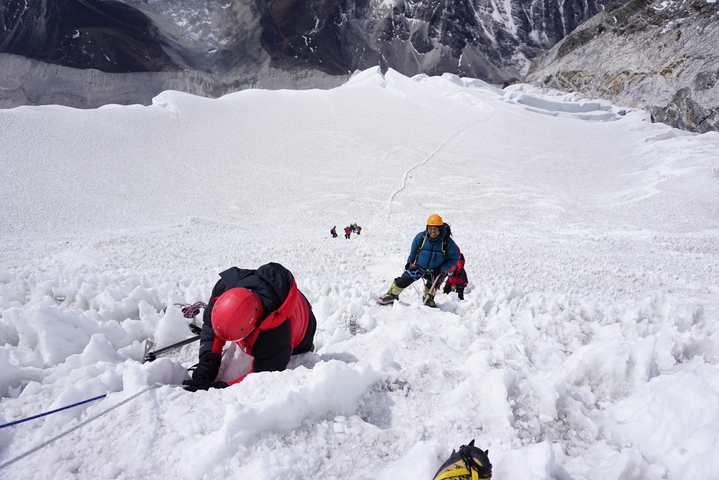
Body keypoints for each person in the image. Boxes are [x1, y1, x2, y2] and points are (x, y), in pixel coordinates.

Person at [183, 262, 317, 391]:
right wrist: (207, 365)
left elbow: (261, 378)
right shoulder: (223, 289)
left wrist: (218, 388)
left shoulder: (276, 338)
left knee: (281, 356)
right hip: (270, 294)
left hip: (304, 328)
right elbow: (211, 329)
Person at [377, 214, 459, 308]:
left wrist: (441, 269)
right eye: (430, 228)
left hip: (435, 271)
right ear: (427, 227)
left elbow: (454, 258)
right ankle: (392, 295)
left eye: (435, 228)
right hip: (419, 267)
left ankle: (428, 300)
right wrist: (410, 262)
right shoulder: (421, 237)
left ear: (440, 228)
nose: (432, 231)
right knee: (404, 279)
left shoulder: (447, 242)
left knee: (432, 287)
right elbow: (414, 251)